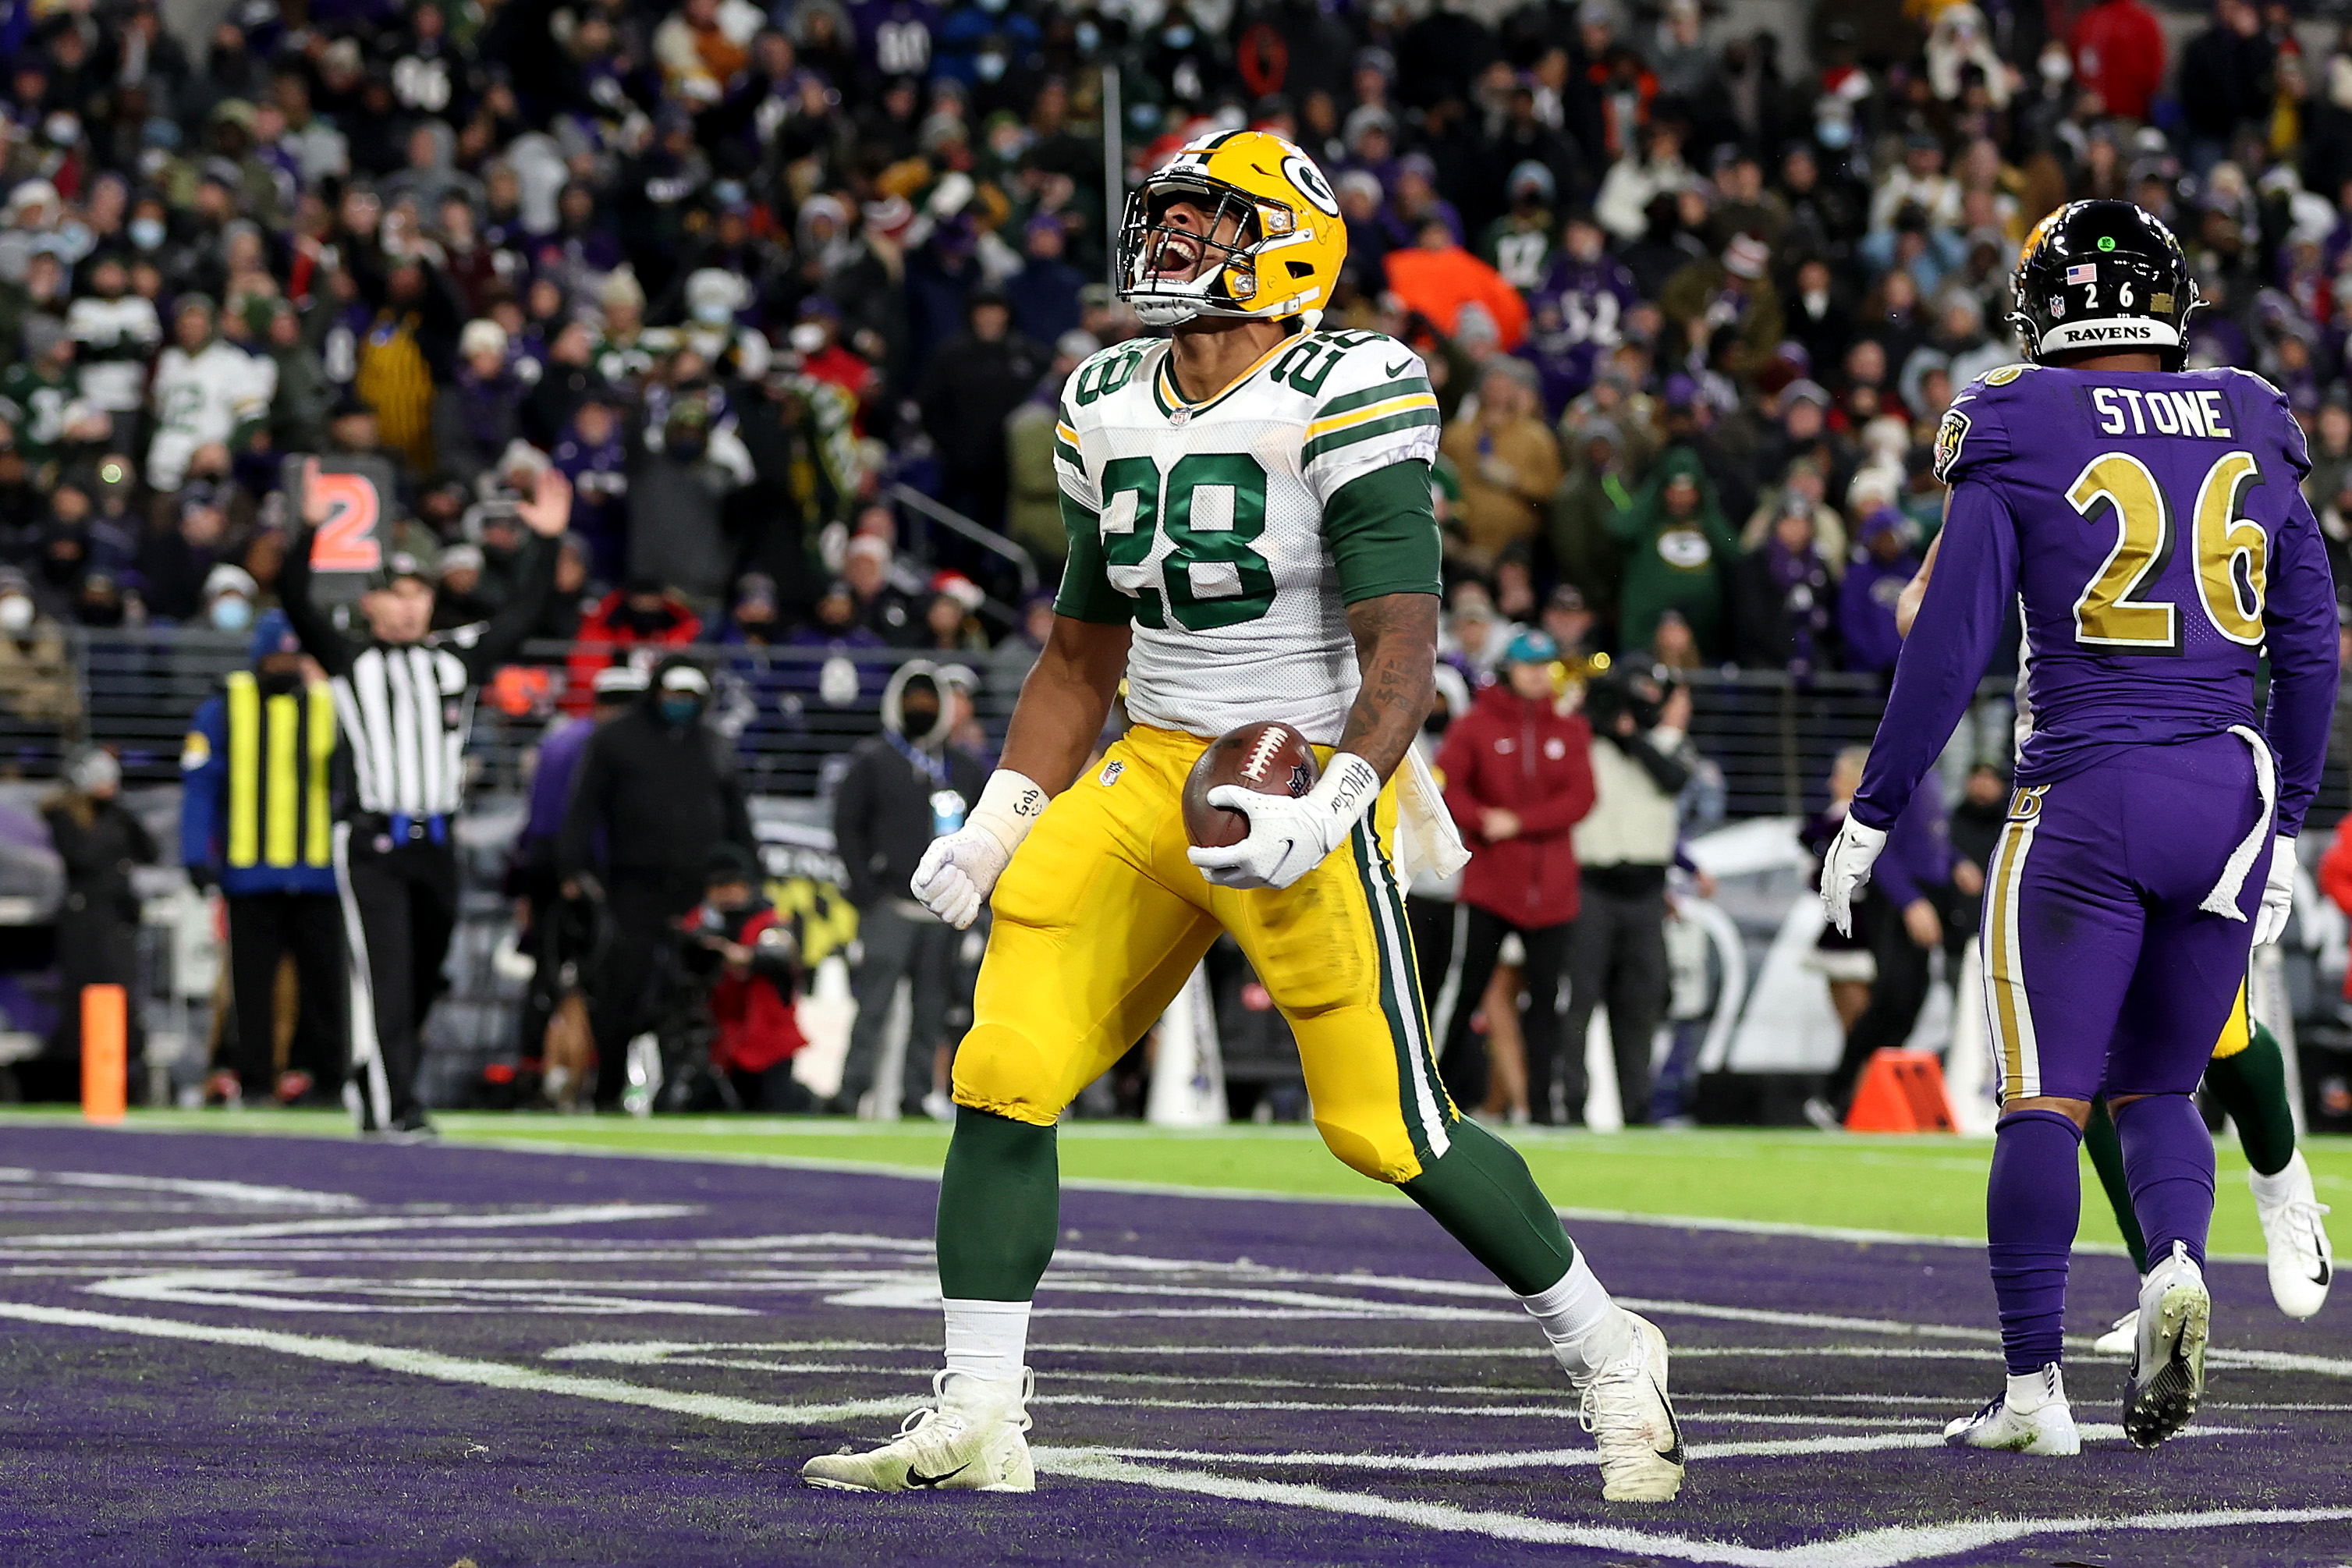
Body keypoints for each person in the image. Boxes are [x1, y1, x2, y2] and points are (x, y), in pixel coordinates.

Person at [800, 131, 1683, 1506]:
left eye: (1203, 227)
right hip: (1154, 766)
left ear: (1286, 247)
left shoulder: (1351, 383)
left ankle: (1612, 1347)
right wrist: (995, 822)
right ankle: (980, 1407)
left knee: (1388, 1128)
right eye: (1165, 225)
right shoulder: (1104, 395)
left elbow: (1403, 637)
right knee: (1006, 1062)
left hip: (1299, 760)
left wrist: (1340, 803)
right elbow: (1079, 648)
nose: (1167, 249)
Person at [1821, 203, 2337, 1456]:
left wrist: (1874, 806)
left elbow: (1948, 644)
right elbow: (2311, 646)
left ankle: (2032, 1391)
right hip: (2226, 786)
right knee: (2159, 1081)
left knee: (2043, 1102)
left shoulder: (2012, 412)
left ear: (2046, 304)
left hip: (2086, 795)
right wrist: (2286, 822)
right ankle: (2169, 1262)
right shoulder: (2256, 413)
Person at [277, 463, 573, 1135]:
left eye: (418, 593)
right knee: (387, 977)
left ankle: (372, 1075)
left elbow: (522, 617)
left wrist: (547, 543)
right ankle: (393, 1108)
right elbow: (294, 597)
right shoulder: (353, 659)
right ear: (371, 605)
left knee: (422, 976)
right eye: (395, 594)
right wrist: (307, 531)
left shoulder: (454, 662)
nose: (408, 605)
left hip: (436, 841)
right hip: (374, 841)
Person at [557, 658, 757, 1110]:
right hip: (633, 889)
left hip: (696, 892)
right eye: (674, 696)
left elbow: (737, 816)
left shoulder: (713, 745)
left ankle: (678, 1095)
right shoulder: (616, 740)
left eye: (690, 698)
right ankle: (607, 1091)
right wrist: (573, 869)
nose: (681, 706)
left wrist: (749, 875)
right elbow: (584, 808)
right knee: (620, 990)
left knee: (689, 997)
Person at [178, 611, 346, 1105]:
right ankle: (253, 1078)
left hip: (318, 871)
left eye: (292, 656)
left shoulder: (328, 703)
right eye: (277, 656)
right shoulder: (226, 706)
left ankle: (327, 1078)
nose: (285, 665)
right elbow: (200, 782)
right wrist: (196, 853)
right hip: (250, 872)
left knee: (325, 985)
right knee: (250, 987)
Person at [1431, 631, 1595, 1123]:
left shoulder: (1569, 730)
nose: (1538, 674)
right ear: (1509, 669)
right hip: (1492, 884)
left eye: (1545, 665)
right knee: (1467, 992)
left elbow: (1581, 797)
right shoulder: (1476, 725)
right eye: (1528, 665)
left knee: (1546, 1002)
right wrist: (1482, 820)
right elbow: (1447, 784)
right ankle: (1440, 1097)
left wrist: (1518, 822)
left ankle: (1543, 1106)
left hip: (1553, 890)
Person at [829, 661, 990, 1119]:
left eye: (928, 700)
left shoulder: (962, 766)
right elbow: (846, 826)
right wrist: (866, 889)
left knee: (933, 1011)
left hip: (943, 911)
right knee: (873, 1006)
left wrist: (972, 895)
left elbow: (982, 830)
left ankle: (917, 1095)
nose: (920, 708)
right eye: (911, 700)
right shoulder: (873, 761)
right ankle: (849, 1093)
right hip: (889, 905)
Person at [511, 663, 647, 1109]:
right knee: (595, 981)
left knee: (549, 980)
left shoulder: (559, 742)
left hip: (549, 870)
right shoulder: (604, 746)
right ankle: (585, 1081)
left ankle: (537, 1077)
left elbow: (535, 824)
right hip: (591, 876)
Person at [1563, 666, 1693, 1127]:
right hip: (1591, 884)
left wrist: (1632, 735)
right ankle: (1570, 1105)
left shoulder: (1664, 747)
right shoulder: (1583, 743)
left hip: (1647, 891)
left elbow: (1674, 779)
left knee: (1641, 1002)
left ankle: (1639, 1108)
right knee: (1579, 999)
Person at [43, 748, 156, 1070]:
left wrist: (119, 815)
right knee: (85, 995)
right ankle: (76, 1069)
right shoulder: (65, 817)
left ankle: (123, 1063)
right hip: (84, 918)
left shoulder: (118, 817)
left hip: (117, 915)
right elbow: (84, 858)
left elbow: (150, 851)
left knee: (120, 993)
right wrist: (111, 822)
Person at [678, 841, 810, 1112]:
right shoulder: (698, 924)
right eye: (719, 887)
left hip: (766, 1043)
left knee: (777, 1107)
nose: (727, 894)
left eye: (733, 885)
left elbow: (781, 955)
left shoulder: (771, 921)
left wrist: (743, 956)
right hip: (713, 1043)